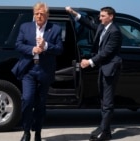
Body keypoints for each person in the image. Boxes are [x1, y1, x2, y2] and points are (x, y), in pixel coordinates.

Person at [66, 6, 122, 141]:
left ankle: (105, 133)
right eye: (100, 16)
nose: (100, 18)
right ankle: (105, 128)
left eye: (103, 16)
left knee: (107, 102)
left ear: (111, 16)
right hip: (103, 68)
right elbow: (88, 24)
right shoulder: (103, 27)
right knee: (103, 100)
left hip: (110, 69)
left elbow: (106, 52)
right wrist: (74, 13)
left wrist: (89, 62)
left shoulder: (115, 32)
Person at [12, 2, 63, 141]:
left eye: (42, 14)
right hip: (28, 69)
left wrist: (45, 45)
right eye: (36, 13)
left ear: (47, 15)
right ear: (33, 14)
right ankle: (26, 131)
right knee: (27, 100)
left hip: (44, 70)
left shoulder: (56, 29)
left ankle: (38, 132)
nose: (39, 16)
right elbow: (18, 44)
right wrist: (32, 49)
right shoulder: (25, 27)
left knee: (40, 104)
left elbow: (59, 49)